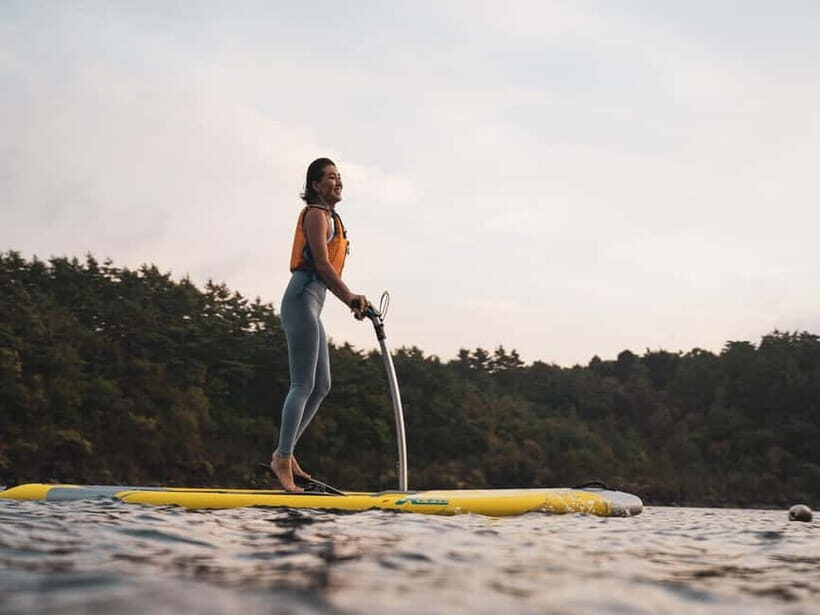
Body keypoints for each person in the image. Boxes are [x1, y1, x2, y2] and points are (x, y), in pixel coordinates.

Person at [271, 158, 369, 491]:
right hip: (300, 301)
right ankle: (282, 459)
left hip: (312, 306)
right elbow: (324, 268)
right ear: (315, 185)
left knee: (322, 385)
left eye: (339, 177)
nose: (337, 182)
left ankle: (286, 452)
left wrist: (354, 302)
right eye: (330, 177)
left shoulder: (332, 219)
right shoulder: (315, 215)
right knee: (302, 384)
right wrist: (351, 297)